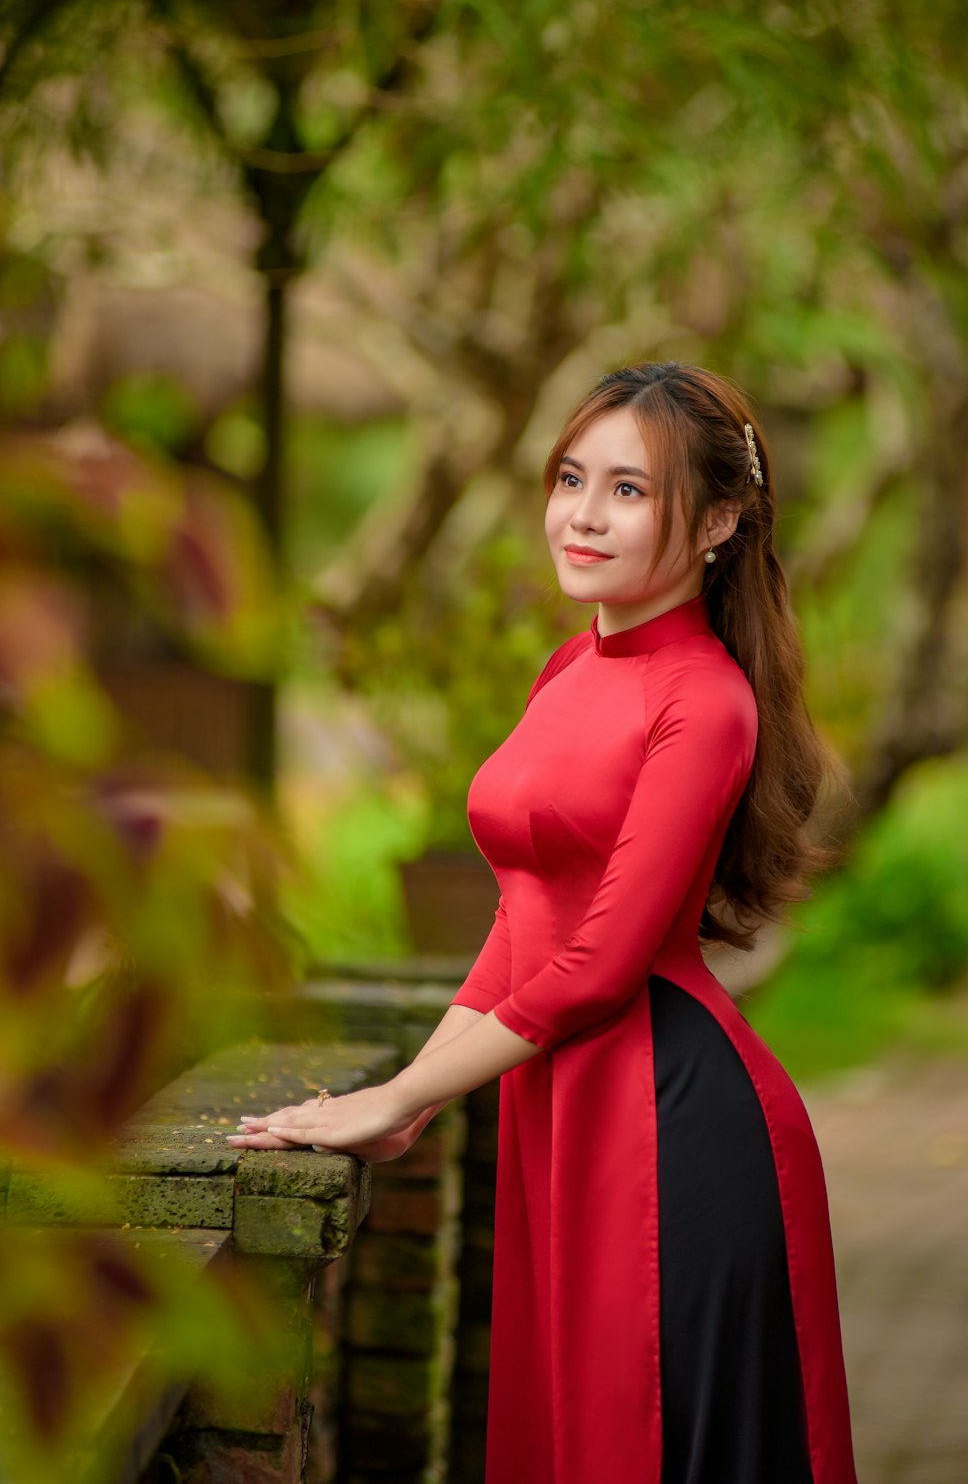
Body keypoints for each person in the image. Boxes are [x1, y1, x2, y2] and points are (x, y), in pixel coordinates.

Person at [230, 362, 858, 1484]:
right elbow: (525, 921)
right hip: (556, 1097)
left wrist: (404, 1089)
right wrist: (408, 1104)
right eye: (572, 478)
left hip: (671, 1115)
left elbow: (601, 961)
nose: (581, 513)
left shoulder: (704, 700)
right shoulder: (567, 666)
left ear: (716, 519)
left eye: (629, 490)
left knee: (644, 1442)